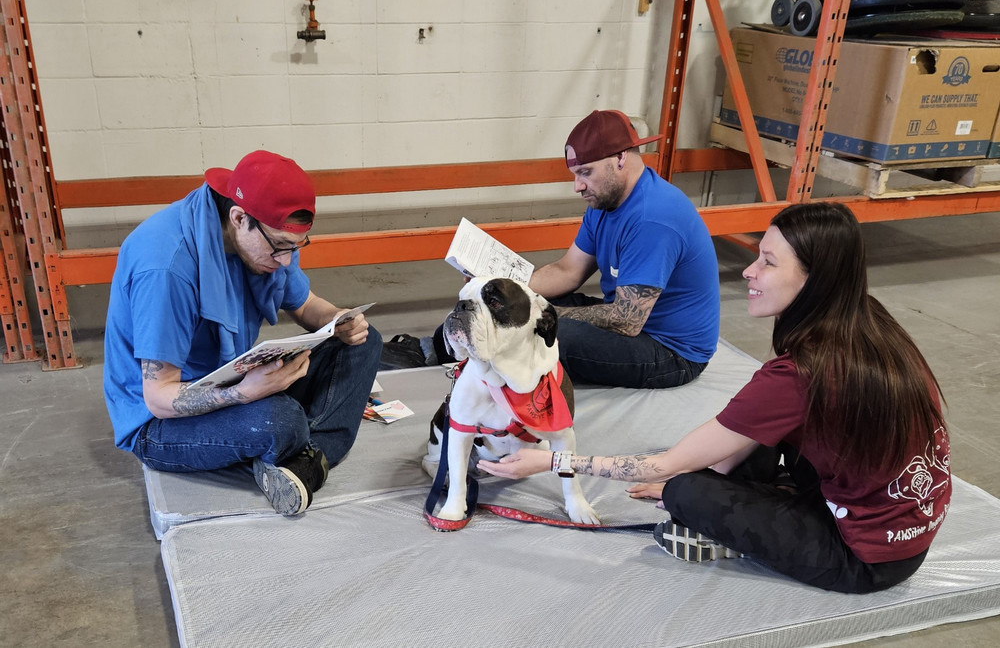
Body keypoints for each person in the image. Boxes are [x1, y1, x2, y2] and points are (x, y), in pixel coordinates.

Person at [478, 202, 951, 593]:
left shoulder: (797, 374)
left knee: (684, 487)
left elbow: (663, 466)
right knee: (725, 454)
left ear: (815, 279)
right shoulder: (867, 323)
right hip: (901, 525)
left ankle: (728, 511)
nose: (748, 270)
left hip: (866, 557)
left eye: (768, 261)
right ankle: (729, 498)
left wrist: (550, 463)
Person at [103, 150, 383, 516]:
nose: (286, 260)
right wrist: (244, 392)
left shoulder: (266, 237)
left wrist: (338, 319)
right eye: (280, 247)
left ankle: (298, 460)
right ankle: (302, 452)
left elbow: (304, 304)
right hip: (161, 422)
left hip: (233, 377)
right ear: (239, 218)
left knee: (365, 342)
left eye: (296, 247)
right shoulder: (166, 268)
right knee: (276, 420)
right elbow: (158, 398)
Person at [383, 110, 720, 389]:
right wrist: (502, 286)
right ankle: (432, 348)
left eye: (585, 173)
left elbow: (625, 321)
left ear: (620, 158)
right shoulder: (605, 202)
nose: (578, 186)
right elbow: (567, 271)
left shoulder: (653, 218)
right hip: (634, 325)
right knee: (517, 303)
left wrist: (532, 314)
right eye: (575, 174)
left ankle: (483, 373)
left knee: (554, 332)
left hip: (670, 352)